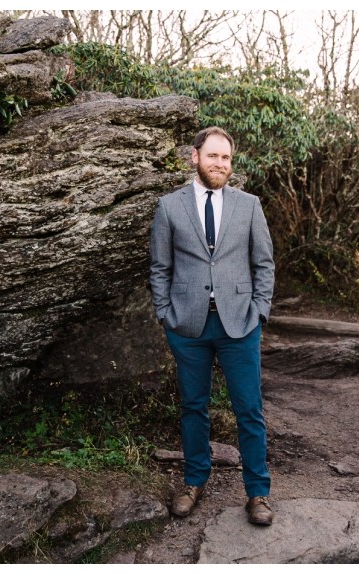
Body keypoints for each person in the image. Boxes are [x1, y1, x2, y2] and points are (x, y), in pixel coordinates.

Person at [149, 126, 276, 526]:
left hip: (240, 323)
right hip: (187, 326)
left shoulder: (249, 205)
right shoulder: (169, 207)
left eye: (226, 158)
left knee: (249, 410)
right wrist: (166, 314)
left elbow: (264, 264)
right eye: (213, 156)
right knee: (193, 407)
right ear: (195, 157)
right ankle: (193, 481)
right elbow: (160, 266)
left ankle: (258, 493)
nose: (220, 164)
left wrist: (259, 311)